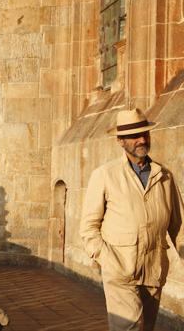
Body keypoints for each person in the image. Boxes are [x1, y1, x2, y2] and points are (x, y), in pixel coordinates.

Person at [80, 108, 184, 331]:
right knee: (130, 328)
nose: (142, 140)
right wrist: (107, 259)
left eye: (145, 134)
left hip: (154, 270)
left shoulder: (164, 176)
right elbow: (89, 228)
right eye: (135, 136)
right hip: (119, 271)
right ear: (120, 141)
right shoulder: (105, 175)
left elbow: (180, 226)